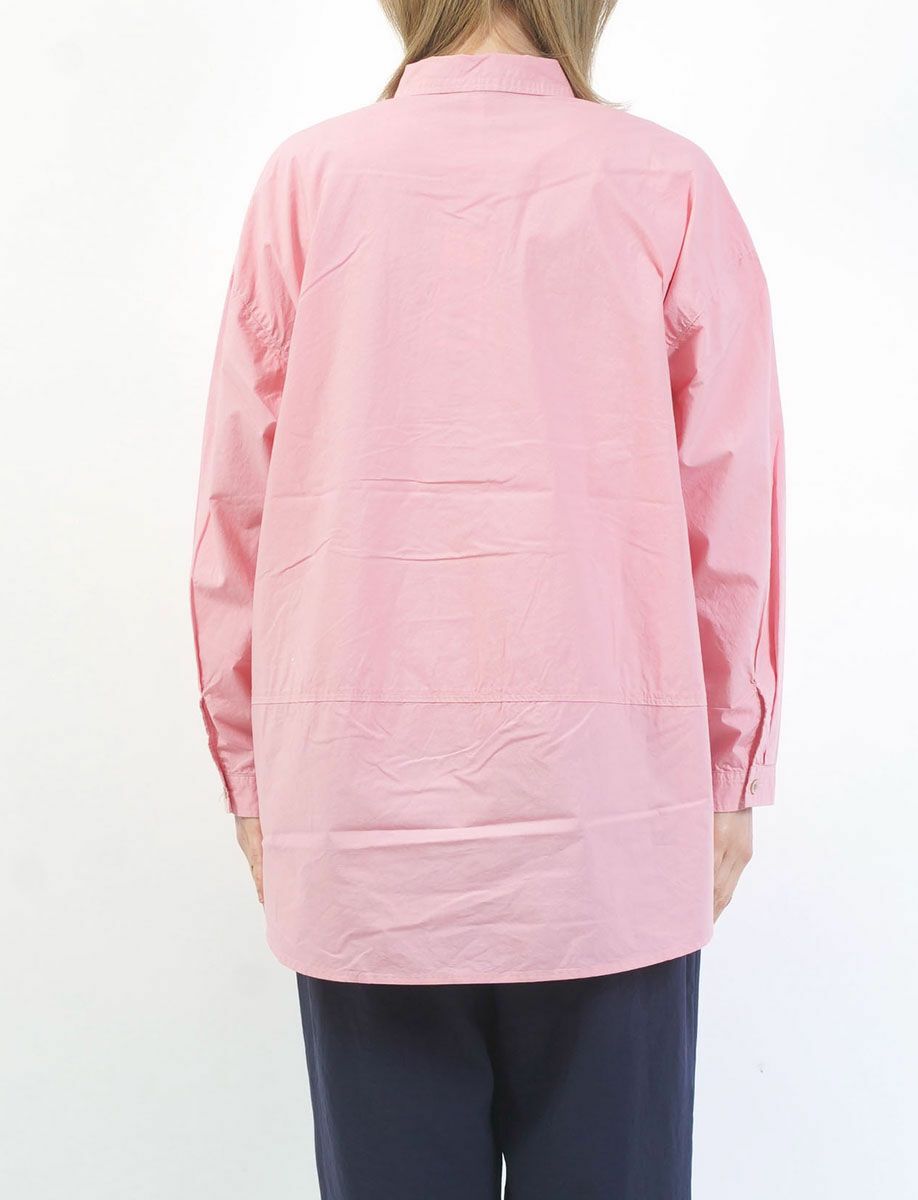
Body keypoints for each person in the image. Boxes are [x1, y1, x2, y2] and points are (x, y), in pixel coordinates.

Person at [189, 2, 785, 1196]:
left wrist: (253, 777)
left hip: (363, 821)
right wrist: (730, 772)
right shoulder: (663, 183)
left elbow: (237, 513)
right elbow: (729, 513)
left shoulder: (310, 182)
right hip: (609, 817)